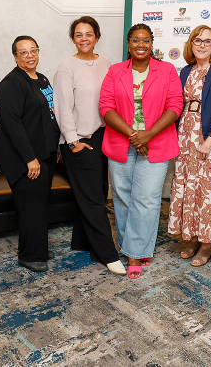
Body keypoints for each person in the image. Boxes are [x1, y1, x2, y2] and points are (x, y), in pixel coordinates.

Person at [99, 24, 183, 279]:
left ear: (151, 44)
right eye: (136, 39)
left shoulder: (167, 70)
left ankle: (135, 252)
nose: (141, 44)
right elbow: (106, 106)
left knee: (146, 198)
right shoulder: (115, 71)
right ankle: (132, 246)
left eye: (146, 40)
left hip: (156, 143)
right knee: (123, 197)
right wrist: (134, 136)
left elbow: (175, 105)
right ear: (128, 43)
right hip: (122, 142)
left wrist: (147, 134)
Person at [53, 17, 126, 276]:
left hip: (102, 136)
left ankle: (82, 241)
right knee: (95, 199)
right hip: (78, 140)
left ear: (97, 36)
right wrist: (72, 141)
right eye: (78, 34)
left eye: (89, 34)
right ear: (73, 38)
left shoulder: (106, 62)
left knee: (96, 190)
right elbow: (61, 106)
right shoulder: (66, 66)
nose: (84, 38)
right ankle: (107, 253)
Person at [168, 25, 211, 266]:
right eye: (197, 40)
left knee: (209, 192)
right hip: (185, 137)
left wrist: (210, 140)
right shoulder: (185, 71)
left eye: (207, 41)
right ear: (191, 44)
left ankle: (208, 244)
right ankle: (193, 237)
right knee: (190, 189)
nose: (201, 44)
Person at [0, 36, 60, 273]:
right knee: (31, 204)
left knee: (39, 203)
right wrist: (30, 158)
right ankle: (30, 255)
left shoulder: (41, 79)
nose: (30, 55)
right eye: (23, 52)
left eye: (34, 50)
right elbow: (12, 124)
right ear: (15, 56)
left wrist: (55, 147)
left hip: (44, 151)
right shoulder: (11, 83)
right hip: (24, 155)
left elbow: (49, 115)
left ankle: (37, 246)